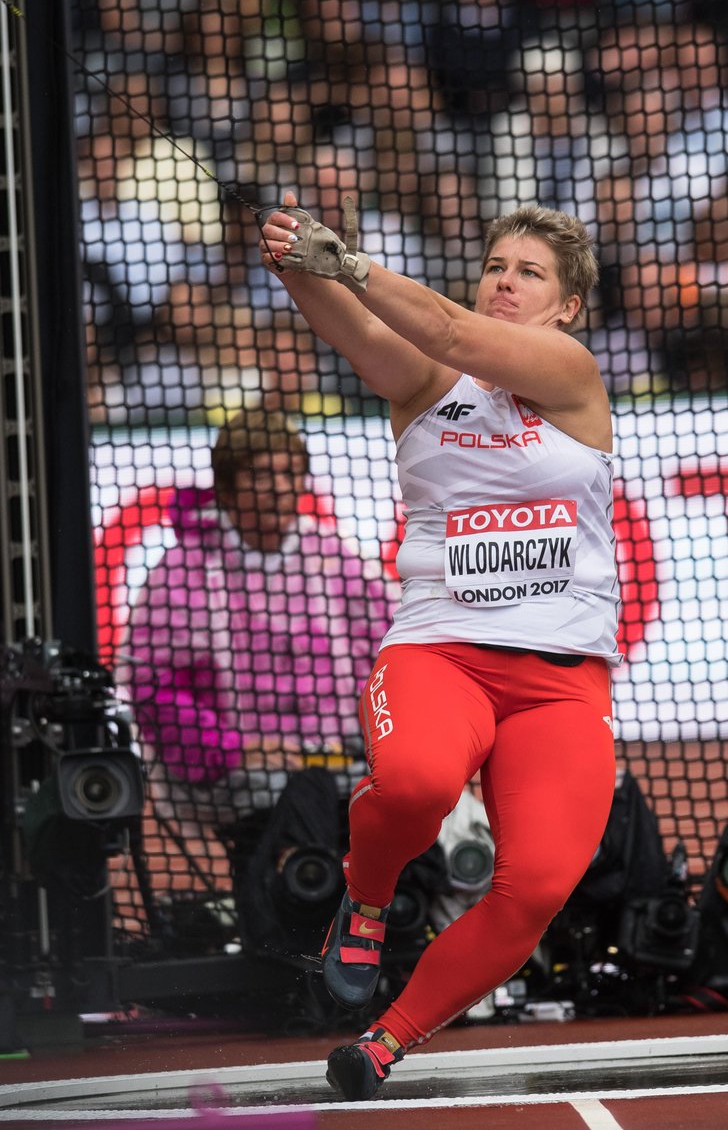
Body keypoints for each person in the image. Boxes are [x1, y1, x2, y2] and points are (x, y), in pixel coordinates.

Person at [258, 193, 621, 1099]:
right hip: (440, 654)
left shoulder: (571, 372)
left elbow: (456, 331)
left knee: (535, 888)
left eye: (528, 273)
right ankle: (367, 900)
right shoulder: (427, 381)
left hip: (561, 684)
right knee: (415, 785)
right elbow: (354, 324)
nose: (506, 281)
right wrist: (298, 260)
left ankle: (385, 1040)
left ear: (566, 306)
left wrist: (346, 261)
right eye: (497, 265)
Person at [125, 406, 396, 918]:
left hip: (347, 755)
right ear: (226, 490)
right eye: (260, 475)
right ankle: (290, 929)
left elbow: (391, 656)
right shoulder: (183, 572)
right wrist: (237, 748)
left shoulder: (333, 557)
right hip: (235, 767)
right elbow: (151, 688)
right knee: (301, 793)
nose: (278, 487)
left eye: (288, 473)